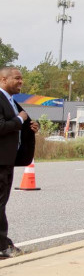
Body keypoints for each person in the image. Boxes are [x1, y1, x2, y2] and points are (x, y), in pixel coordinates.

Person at [0, 67, 39, 259]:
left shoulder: (11, 101)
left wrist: (31, 126)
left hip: (7, 161)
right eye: (17, 78)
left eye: (21, 78)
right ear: (3, 79)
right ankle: (2, 246)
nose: (20, 82)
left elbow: (20, 124)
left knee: (2, 204)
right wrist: (19, 119)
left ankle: (3, 243)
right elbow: (1, 126)